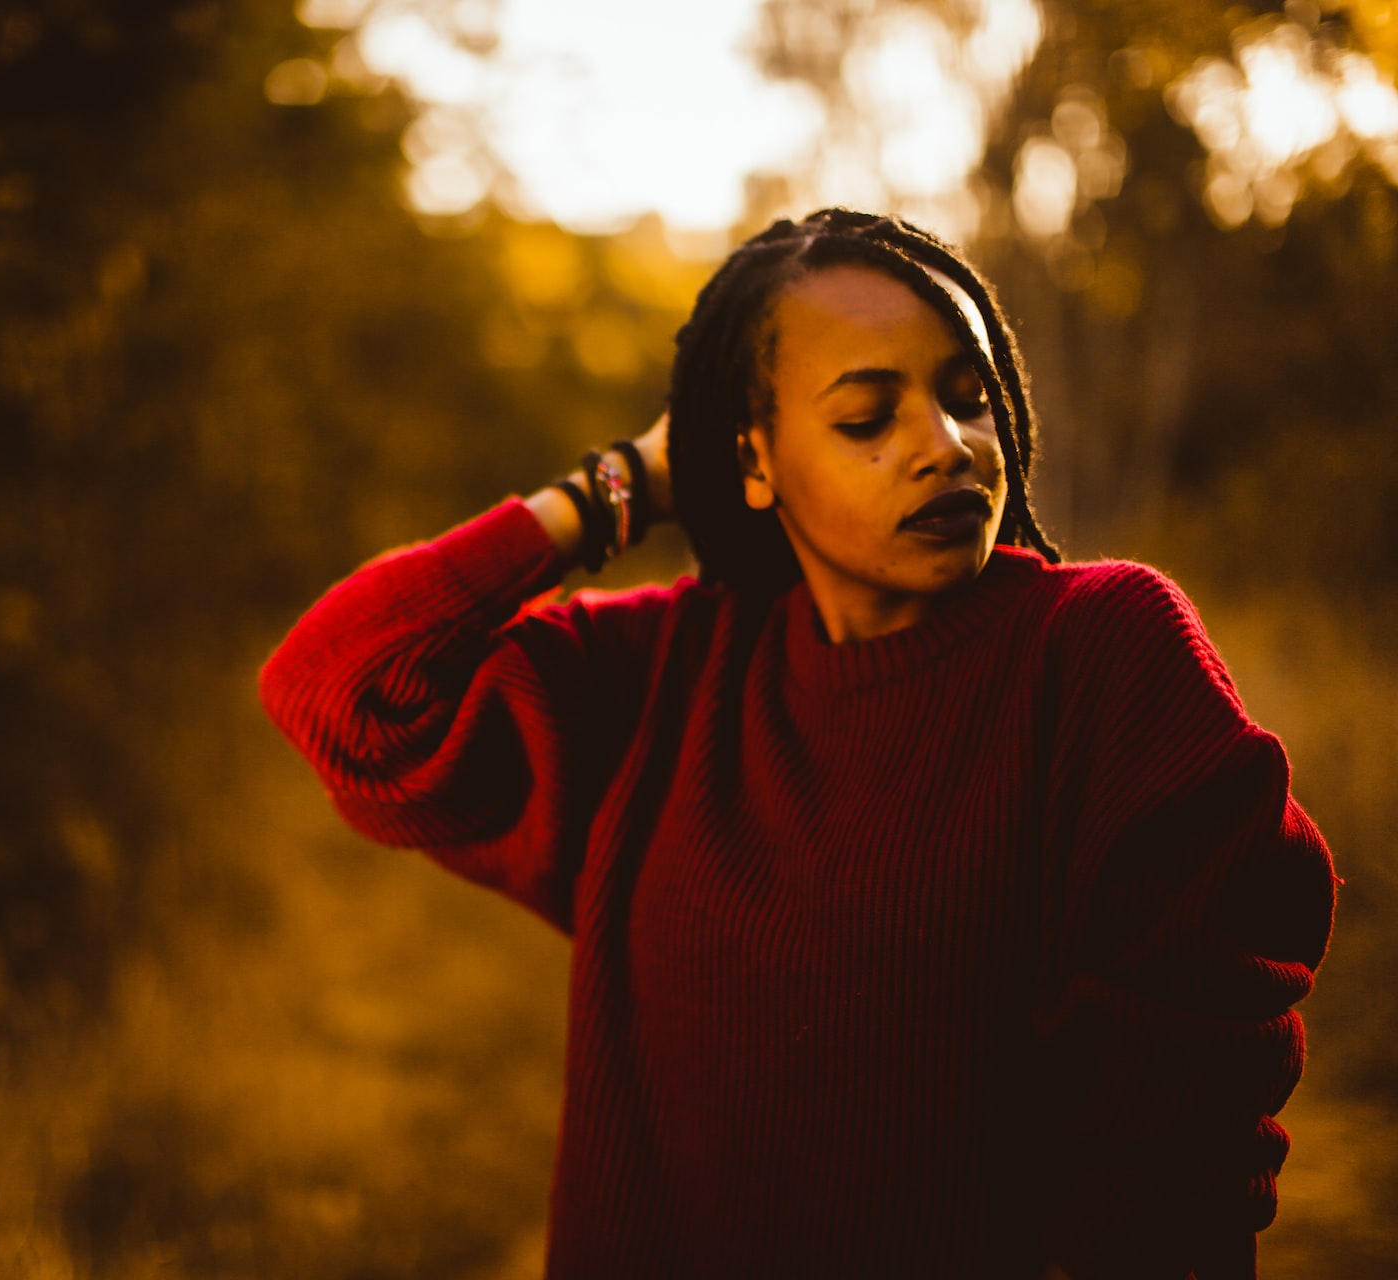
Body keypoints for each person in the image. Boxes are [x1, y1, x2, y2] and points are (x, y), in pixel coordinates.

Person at [258, 209, 1336, 1280]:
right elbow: (337, 689)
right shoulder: (667, 669)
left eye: (970, 399)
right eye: (868, 417)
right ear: (753, 458)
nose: (945, 445)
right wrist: (620, 488)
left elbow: (1185, 1121)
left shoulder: (1102, 652)